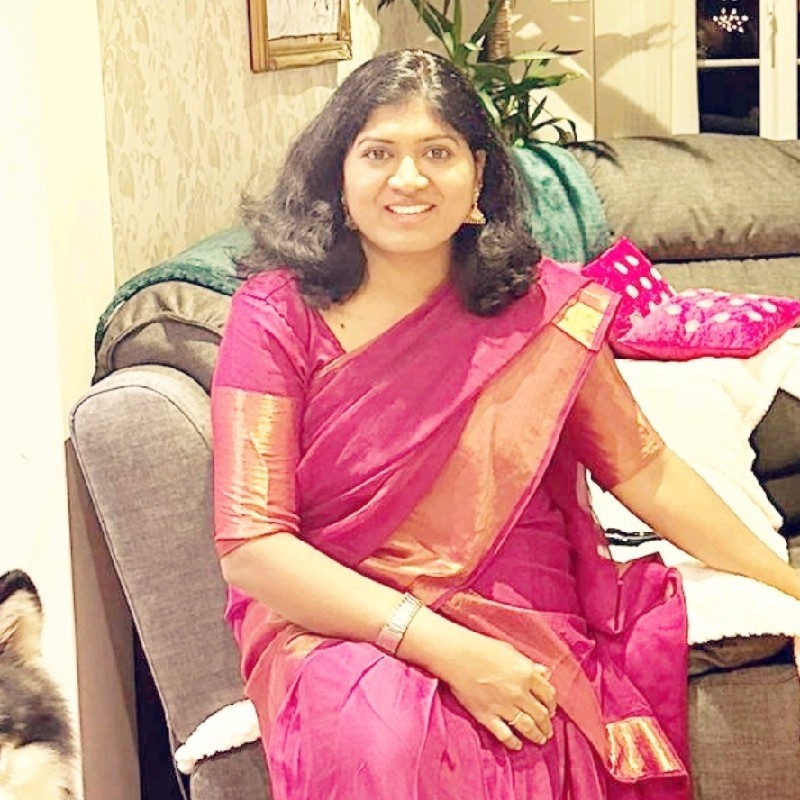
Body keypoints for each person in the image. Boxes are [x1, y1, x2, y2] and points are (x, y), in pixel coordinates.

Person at [211, 49, 800, 799]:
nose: (409, 178)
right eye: (379, 153)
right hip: (336, 606)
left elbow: (645, 470)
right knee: (385, 739)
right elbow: (253, 548)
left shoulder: (541, 309)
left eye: (437, 152)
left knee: (519, 737)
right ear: (339, 176)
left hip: (515, 590)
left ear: (479, 175)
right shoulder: (275, 315)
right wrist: (446, 649)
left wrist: (787, 585)